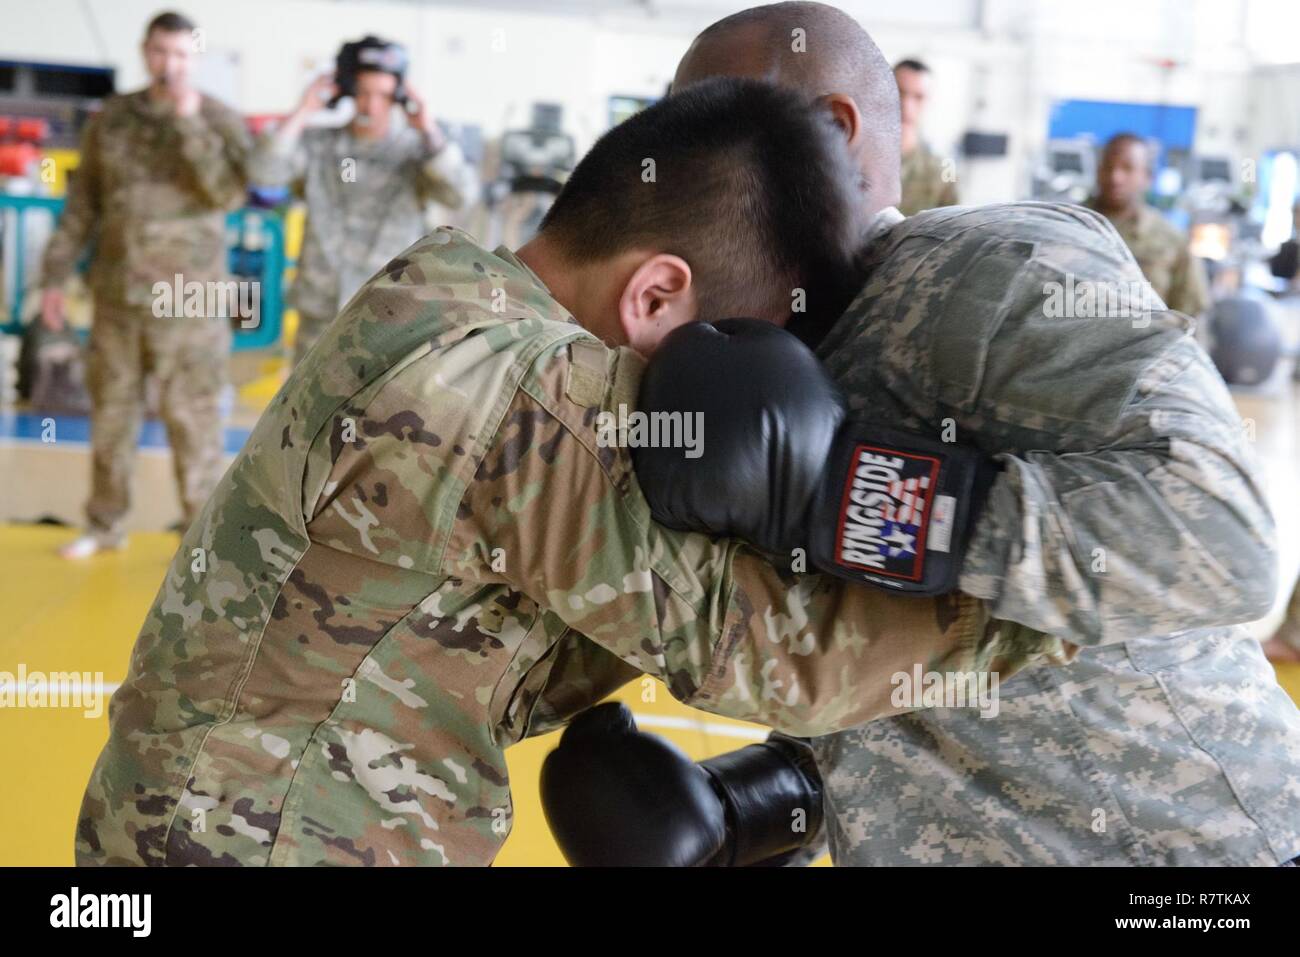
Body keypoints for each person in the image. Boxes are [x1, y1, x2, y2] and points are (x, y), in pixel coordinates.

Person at [73, 77, 1061, 867]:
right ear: (658, 293)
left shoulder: (443, 293)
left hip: (199, 817)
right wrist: (1070, 578)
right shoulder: (523, 393)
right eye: (716, 352)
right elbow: (765, 652)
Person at [538, 1, 1300, 868]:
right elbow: (933, 691)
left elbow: (1221, 534)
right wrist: (747, 805)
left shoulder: (999, 267)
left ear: (826, 130)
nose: (678, 171)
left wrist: (851, 496)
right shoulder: (760, 357)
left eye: (715, 127)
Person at [40, 10, 250, 558]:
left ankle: (200, 538)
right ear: (145, 51)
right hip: (118, 292)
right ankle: (104, 524)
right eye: (160, 53)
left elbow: (225, 196)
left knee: (192, 417)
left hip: (191, 297)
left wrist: (187, 123)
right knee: (111, 411)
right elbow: (82, 203)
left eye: (181, 55)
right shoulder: (112, 117)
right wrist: (54, 277)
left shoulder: (221, 119)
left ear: (195, 58)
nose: (170, 65)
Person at [248, 36, 477, 365]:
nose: (371, 106)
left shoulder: (418, 153)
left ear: (398, 98)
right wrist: (303, 110)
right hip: (320, 313)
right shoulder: (319, 146)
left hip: (389, 318)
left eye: (383, 95)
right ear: (346, 91)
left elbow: (461, 195)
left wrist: (429, 130)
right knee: (305, 414)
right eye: (363, 93)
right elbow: (263, 172)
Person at [1085, 132, 1210, 317]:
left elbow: (1190, 315)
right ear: (1098, 171)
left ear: (1147, 177)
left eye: (1127, 168)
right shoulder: (1069, 227)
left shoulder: (1171, 240)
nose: (1115, 177)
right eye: (1108, 167)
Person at [894, 58, 958, 216]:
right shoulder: (854, 158)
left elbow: (953, 226)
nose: (906, 106)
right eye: (899, 92)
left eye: (918, 97)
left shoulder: (944, 168)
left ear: (930, 101)